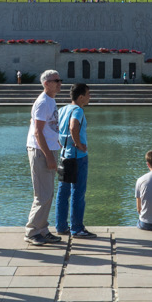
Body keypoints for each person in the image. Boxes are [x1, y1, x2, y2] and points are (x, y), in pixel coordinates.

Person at [25, 70, 64, 245]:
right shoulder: (42, 102)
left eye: (60, 80)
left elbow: (48, 128)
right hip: (40, 151)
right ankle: (32, 231)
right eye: (56, 80)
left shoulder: (50, 100)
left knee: (48, 193)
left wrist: (56, 144)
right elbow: (37, 131)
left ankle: (42, 229)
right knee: (42, 194)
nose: (60, 83)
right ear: (46, 83)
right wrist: (49, 156)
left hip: (48, 149)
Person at [56, 84, 95, 238]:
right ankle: (77, 228)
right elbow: (73, 127)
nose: (89, 97)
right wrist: (79, 145)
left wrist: (60, 142)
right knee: (78, 193)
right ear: (81, 97)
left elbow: (55, 127)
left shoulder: (63, 109)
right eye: (88, 94)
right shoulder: (78, 110)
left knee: (63, 192)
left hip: (64, 156)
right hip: (78, 157)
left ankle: (61, 226)